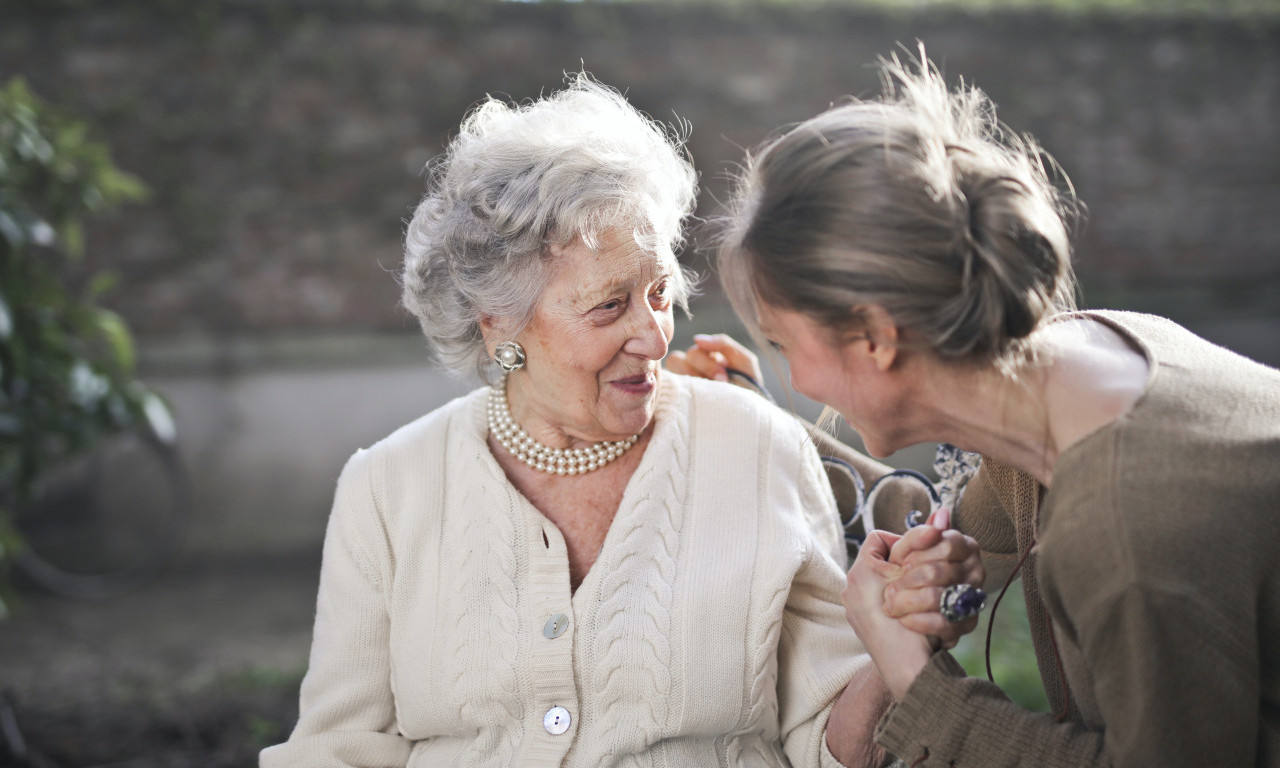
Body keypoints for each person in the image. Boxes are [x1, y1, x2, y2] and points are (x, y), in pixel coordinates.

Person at [259, 74, 981, 768]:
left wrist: (895, 642)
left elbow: (827, 744)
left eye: (660, 292)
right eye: (609, 306)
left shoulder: (757, 448)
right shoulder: (387, 489)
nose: (654, 334)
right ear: (497, 324)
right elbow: (338, 748)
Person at [710, 49, 1280, 767]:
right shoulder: (1077, 365)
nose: (794, 375)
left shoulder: (1125, 528)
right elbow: (947, 540)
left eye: (783, 342)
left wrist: (918, 680)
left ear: (877, 338)